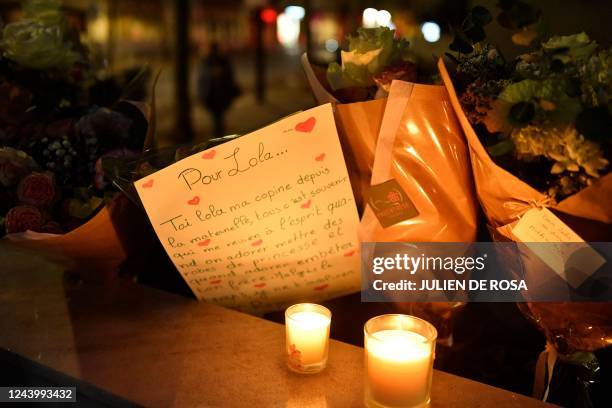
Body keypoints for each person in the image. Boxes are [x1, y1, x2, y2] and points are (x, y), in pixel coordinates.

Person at [197, 42, 240, 137]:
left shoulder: (216, 61)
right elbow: (202, 80)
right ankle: (218, 131)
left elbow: (202, 79)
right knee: (217, 116)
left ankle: (218, 132)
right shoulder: (207, 61)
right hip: (212, 94)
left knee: (218, 116)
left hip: (218, 94)